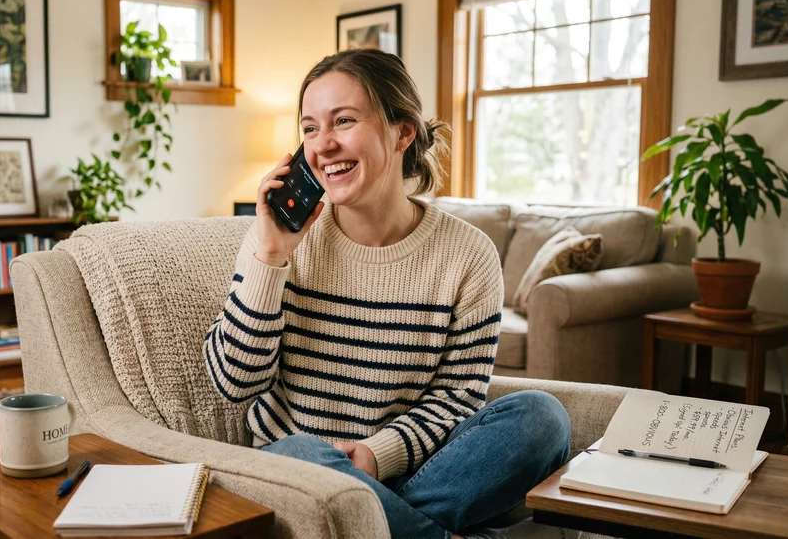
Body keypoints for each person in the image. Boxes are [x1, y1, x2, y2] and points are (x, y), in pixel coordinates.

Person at [202, 48, 571, 539]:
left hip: (412, 473)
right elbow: (233, 383)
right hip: (301, 467)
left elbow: (456, 399)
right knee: (299, 454)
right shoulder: (276, 239)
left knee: (542, 418)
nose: (323, 144)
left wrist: (376, 456)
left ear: (402, 133)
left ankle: (375, 522)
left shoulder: (469, 255)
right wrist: (271, 257)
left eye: (344, 121)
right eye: (309, 128)